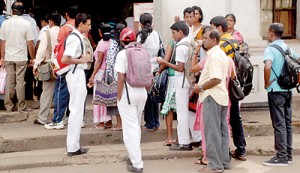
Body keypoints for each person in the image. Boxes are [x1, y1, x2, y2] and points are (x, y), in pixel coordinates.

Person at [192, 28, 230, 173]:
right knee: (221, 131)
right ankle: (223, 161)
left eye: (206, 38)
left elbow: (215, 79)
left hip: (212, 96)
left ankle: (215, 165)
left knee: (212, 132)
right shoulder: (219, 54)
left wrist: (200, 88)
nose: (203, 40)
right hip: (220, 96)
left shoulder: (214, 55)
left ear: (214, 40)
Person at [210, 15, 247, 161]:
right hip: (233, 81)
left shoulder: (222, 44)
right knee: (235, 117)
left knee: (223, 118)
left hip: (223, 83)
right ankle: (241, 149)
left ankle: (224, 152)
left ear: (219, 28)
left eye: (212, 27)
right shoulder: (234, 40)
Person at [263, 23, 299, 166]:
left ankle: (281, 156)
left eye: (267, 32)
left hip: (275, 90)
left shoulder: (270, 49)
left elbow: (267, 66)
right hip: (288, 90)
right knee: (287, 123)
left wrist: (266, 83)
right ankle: (288, 154)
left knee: (279, 124)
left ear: (271, 33)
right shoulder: (287, 48)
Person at [39, 5, 80, 126]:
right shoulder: (79, 29)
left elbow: (56, 50)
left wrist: (37, 64)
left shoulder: (62, 30)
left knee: (54, 92)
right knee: (72, 93)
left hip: (60, 65)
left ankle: (52, 118)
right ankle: (70, 118)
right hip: (77, 66)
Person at [115, 27, 147, 173]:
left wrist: (118, 95)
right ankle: (134, 156)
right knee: (136, 126)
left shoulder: (122, 54)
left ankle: (137, 163)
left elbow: (121, 77)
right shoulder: (143, 51)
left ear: (122, 40)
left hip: (128, 94)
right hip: (142, 92)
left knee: (130, 129)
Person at [157, 21, 192, 151]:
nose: (172, 36)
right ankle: (192, 138)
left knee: (182, 113)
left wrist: (164, 62)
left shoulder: (181, 46)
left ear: (180, 32)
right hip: (188, 80)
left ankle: (184, 142)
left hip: (181, 81)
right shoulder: (191, 42)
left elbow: (179, 68)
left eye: (173, 33)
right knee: (188, 112)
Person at [61, 12, 91, 156]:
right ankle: (73, 146)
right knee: (76, 111)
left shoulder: (77, 36)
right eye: (88, 24)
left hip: (77, 74)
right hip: (75, 74)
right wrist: (82, 60)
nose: (90, 27)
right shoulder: (75, 38)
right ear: (81, 24)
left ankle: (74, 145)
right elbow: (65, 59)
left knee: (77, 111)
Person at [0, 1, 35, 112]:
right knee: (20, 81)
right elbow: (30, 43)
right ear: (23, 11)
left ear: (12, 10)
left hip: (9, 57)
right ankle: (21, 106)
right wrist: (32, 58)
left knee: (10, 80)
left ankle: (9, 106)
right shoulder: (27, 24)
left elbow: (2, 42)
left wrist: (2, 57)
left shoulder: (5, 23)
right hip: (21, 57)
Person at [88, 23, 121, 130]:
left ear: (100, 32)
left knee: (99, 98)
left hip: (101, 73)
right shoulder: (113, 42)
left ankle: (101, 122)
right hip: (110, 73)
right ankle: (109, 121)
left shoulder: (101, 44)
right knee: (108, 97)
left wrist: (92, 75)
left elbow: (98, 61)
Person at [33, 13, 61, 129]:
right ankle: (61, 117)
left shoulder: (47, 33)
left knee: (47, 93)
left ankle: (42, 118)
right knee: (61, 92)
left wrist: (36, 64)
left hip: (50, 65)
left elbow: (41, 50)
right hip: (62, 65)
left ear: (50, 22)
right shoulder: (63, 32)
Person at [136, 13, 160, 132]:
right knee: (154, 94)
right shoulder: (156, 34)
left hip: (144, 68)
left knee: (147, 96)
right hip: (156, 68)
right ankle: (155, 121)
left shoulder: (141, 36)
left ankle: (149, 122)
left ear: (140, 23)